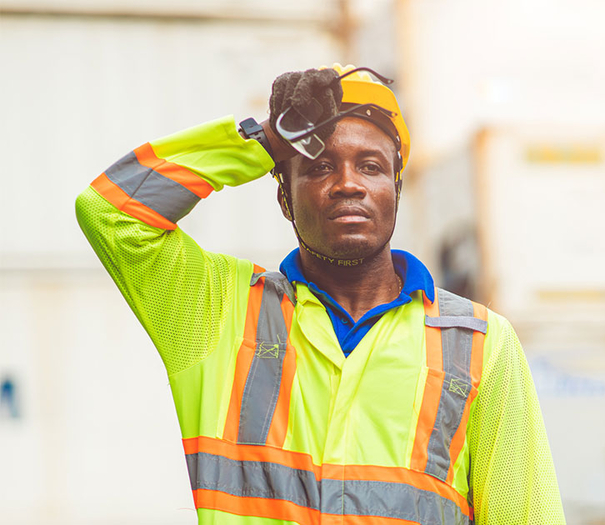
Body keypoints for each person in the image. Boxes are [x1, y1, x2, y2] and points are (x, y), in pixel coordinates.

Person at [76, 64, 565, 525]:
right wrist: (265, 140)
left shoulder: (478, 342)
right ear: (284, 197)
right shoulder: (220, 313)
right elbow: (110, 211)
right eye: (318, 166)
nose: (348, 183)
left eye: (371, 166)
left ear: (396, 187)